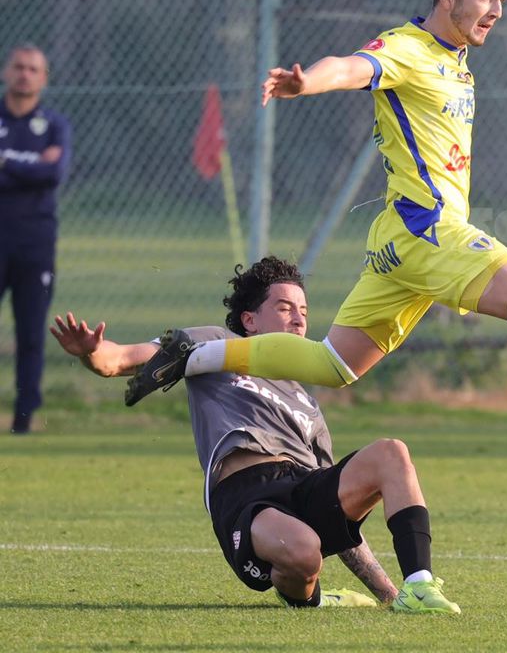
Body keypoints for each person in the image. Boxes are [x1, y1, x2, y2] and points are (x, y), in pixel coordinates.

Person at [127, 0, 507, 457]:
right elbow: (352, 67)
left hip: (399, 235)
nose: (496, 11)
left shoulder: (455, 61)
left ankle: (196, 355)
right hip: (426, 229)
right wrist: (307, 84)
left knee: (334, 364)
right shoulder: (408, 48)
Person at [50, 256, 461, 614]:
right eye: (284, 307)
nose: (298, 318)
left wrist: (385, 594)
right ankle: (311, 598)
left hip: (302, 488)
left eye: (303, 309)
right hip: (246, 497)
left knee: (391, 453)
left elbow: (340, 525)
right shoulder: (216, 345)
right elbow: (121, 360)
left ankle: (417, 586)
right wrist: (91, 352)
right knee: (303, 551)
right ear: (250, 320)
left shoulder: (306, 401)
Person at [2, 44, 72, 434]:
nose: (25, 74)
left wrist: (5, 161)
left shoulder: (55, 125)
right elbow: (40, 170)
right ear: (5, 72)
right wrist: (31, 165)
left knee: (31, 333)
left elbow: (54, 173)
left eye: (33, 69)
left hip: (35, 243)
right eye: (18, 67)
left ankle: (23, 422)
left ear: (43, 79)